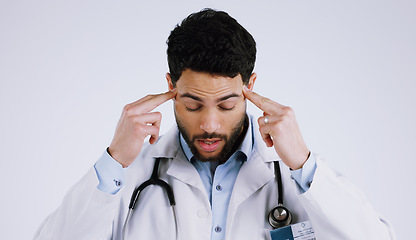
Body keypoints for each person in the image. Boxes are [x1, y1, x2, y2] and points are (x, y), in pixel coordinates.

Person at [34, 8, 395, 240]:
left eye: (226, 104)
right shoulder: (130, 175)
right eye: (192, 104)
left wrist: (302, 162)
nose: (209, 124)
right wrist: (113, 161)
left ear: (250, 87)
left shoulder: (293, 175)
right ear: (171, 87)